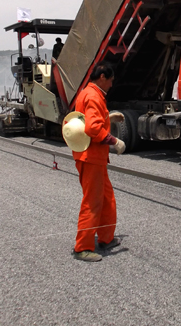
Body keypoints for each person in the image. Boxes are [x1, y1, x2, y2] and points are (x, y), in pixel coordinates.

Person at [67, 63, 126, 262]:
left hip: (93, 157)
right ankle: (82, 247)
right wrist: (114, 141)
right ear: (102, 77)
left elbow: (88, 120)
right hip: (91, 157)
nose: (111, 84)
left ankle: (105, 238)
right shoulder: (93, 96)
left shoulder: (88, 93)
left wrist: (108, 118)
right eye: (110, 80)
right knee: (92, 202)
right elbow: (93, 128)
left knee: (106, 199)